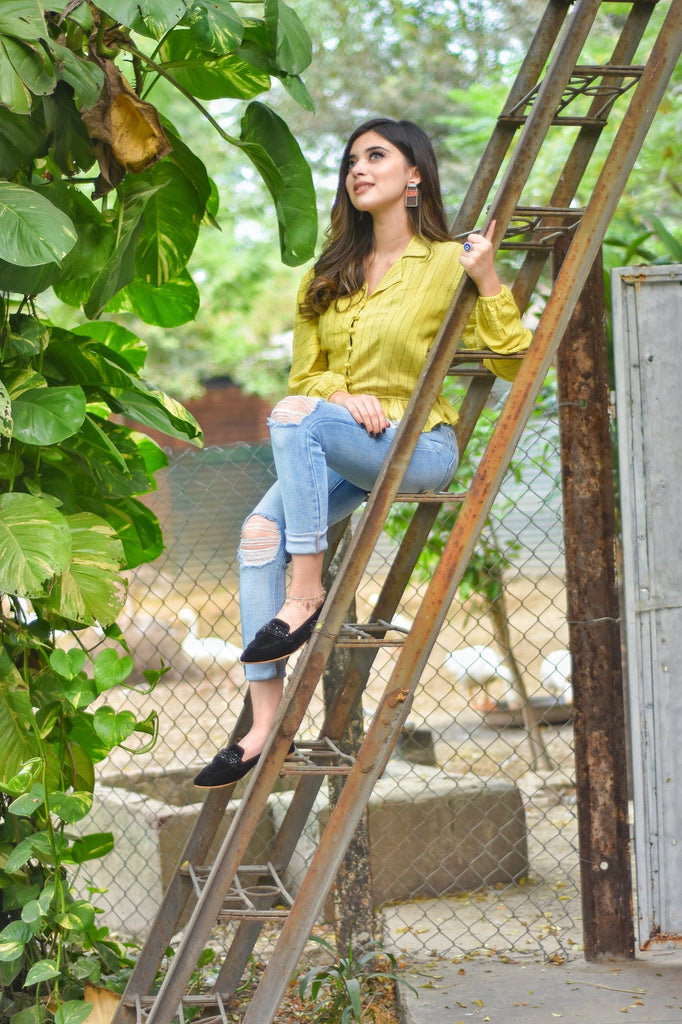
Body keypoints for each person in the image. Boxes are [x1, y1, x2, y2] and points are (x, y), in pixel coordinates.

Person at [193, 117, 532, 788]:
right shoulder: (327, 275)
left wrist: (488, 279)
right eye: (351, 160)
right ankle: (263, 727)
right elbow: (304, 381)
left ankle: (307, 589)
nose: (358, 169)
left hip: (418, 446)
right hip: (341, 441)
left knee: (293, 421)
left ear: (414, 176)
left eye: (376, 156)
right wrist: (344, 398)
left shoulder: (447, 261)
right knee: (259, 531)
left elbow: (514, 362)